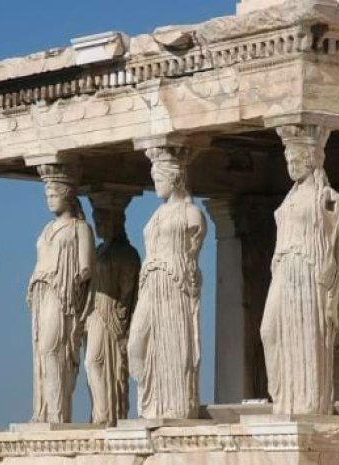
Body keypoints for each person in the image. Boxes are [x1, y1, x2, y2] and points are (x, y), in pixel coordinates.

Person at [260, 126, 339, 415]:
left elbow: (336, 244)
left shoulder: (327, 198)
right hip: (284, 269)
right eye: (288, 158)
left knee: (307, 335)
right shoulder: (290, 197)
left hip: (308, 272)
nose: (290, 164)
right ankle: (284, 398)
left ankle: (308, 403)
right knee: (269, 331)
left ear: (311, 159)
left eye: (295, 158)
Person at [128, 148, 206, 419]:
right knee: (136, 344)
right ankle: (151, 403)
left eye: (159, 179)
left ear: (174, 178)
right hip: (151, 281)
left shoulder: (192, 214)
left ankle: (175, 405)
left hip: (175, 282)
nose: (155, 184)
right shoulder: (157, 214)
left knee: (174, 343)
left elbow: (193, 254)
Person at [28, 165, 95, 423]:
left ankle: (58, 413)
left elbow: (86, 266)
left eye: (53, 194)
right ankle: (43, 411)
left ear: (67, 195)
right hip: (42, 294)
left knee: (53, 349)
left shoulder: (80, 228)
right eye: (47, 195)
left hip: (64, 296)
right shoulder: (47, 229)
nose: (49, 199)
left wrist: (72, 285)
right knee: (42, 353)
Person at [85, 193, 140, 426]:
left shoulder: (127, 253)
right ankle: (100, 412)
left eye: (101, 221)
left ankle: (106, 415)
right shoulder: (98, 251)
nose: (97, 226)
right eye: (95, 221)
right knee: (92, 363)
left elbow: (129, 288)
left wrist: (121, 317)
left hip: (112, 315)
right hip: (95, 311)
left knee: (96, 361)